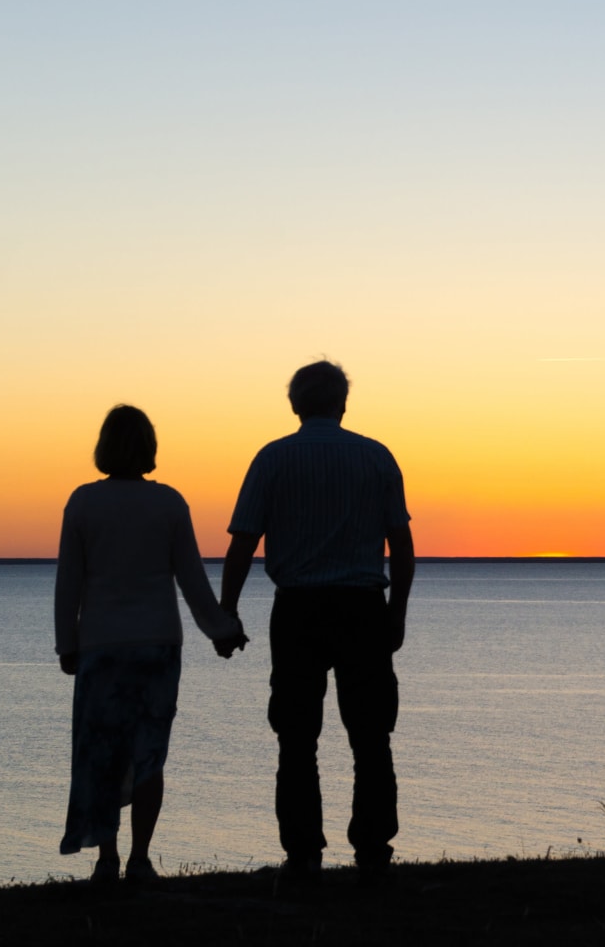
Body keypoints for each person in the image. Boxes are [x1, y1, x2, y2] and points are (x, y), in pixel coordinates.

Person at [218, 360, 414, 886]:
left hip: (299, 609)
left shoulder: (273, 458)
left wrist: (227, 609)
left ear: (295, 405)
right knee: (372, 735)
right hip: (362, 608)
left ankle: (304, 851)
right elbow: (403, 546)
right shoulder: (375, 457)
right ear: (342, 404)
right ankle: (373, 848)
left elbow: (243, 542)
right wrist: (396, 615)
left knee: (296, 736)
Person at [54, 404, 247, 884]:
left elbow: (68, 585)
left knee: (103, 753)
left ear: (103, 447)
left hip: (101, 646)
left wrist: (67, 644)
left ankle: (107, 860)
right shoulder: (169, 504)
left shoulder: (82, 503)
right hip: (158, 647)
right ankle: (140, 859)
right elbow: (192, 580)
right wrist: (222, 631)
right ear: (149, 448)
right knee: (149, 753)